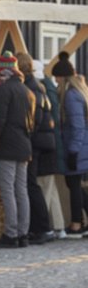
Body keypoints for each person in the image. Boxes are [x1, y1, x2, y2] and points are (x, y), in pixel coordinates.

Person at [0, 51, 35, 249]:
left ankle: (11, 234)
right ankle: (23, 233)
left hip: (7, 145)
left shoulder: (2, 91)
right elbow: (32, 124)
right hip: (24, 145)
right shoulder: (28, 92)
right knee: (21, 190)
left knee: (7, 190)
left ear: (2, 71)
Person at [15, 53, 56, 245]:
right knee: (31, 184)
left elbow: (35, 119)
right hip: (41, 141)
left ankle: (43, 227)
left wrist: (26, 137)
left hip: (35, 142)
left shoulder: (30, 88)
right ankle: (38, 227)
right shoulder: (36, 85)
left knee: (30, 184)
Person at [52, 51, 88, 238]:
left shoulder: (71, 96)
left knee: (73, 185)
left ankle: (76, 224)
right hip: (80, 147)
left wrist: (73, 151)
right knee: (76, 185)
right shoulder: (78, 92)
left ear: (63, 78)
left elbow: (76, 125)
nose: (56, 82)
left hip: (77, 148)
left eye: (57, 78)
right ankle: (80, 222)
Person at [33, 59, 66, 238]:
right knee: (49, 187)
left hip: (45, 146)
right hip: (51, 146)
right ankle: (58, 226)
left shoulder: (41, 92)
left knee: (43, 187)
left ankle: (44, 227)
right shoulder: (50, 91)